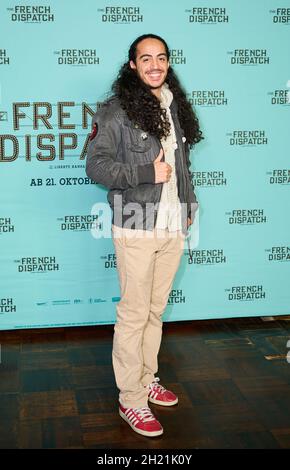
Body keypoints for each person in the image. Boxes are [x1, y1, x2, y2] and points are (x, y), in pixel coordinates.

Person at [86, 33, 203, 437]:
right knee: (134, 314)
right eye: (146, 58)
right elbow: (96, 167)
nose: (155, 64)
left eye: (162, 57)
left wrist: (188, 204)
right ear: (132, 65)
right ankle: (130, 399)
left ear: (168, 62)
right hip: (136, 224)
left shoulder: (173, 105)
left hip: (173, 223)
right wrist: (144, 173)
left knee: (155, 309)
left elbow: (181, 165)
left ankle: (147, 378)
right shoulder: (116, 111)